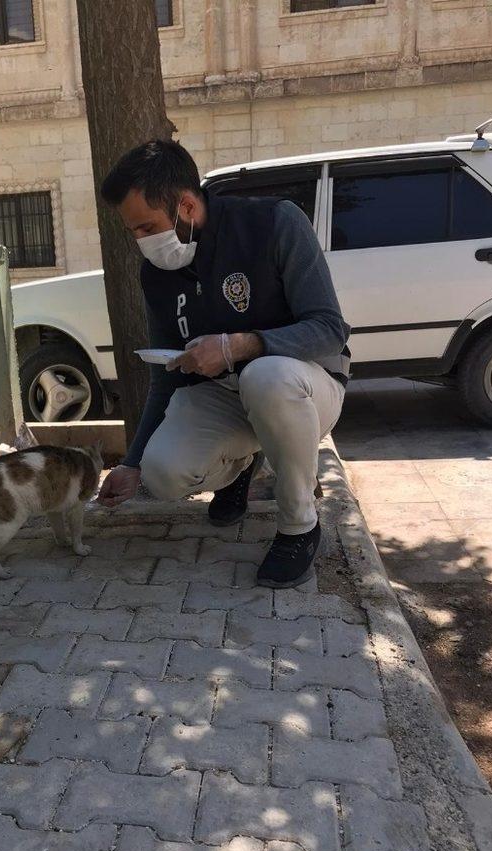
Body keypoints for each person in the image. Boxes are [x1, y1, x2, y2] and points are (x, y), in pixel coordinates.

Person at [97, 139, 350, 587]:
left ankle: (299, 525)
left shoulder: (274, 223)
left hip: (304, 387)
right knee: (163, 473)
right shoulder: (157, 272)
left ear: (187, 206)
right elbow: (164, 377)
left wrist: (240, 346)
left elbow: (330, 328)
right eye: (132, 231)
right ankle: (238, 469)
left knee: (265, 375)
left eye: (146, 227)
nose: (141, 242)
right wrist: (132, 463)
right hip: (225, 397)